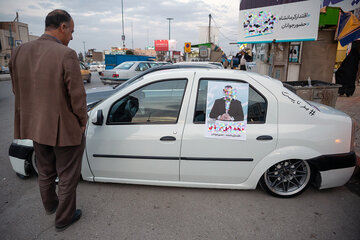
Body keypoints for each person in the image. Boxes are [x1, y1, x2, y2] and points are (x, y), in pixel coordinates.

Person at [9, 9, 87, 232]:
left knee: (44, 171)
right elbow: (77, 96)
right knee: (68, 175)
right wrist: (82, 121)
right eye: (71, 31)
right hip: (65, 128)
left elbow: (17, 90)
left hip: (35, 126)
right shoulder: (66, 54)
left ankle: (50, 206)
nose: (71, 36)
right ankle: (64, 218)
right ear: (62, 27)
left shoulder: (18, 52)